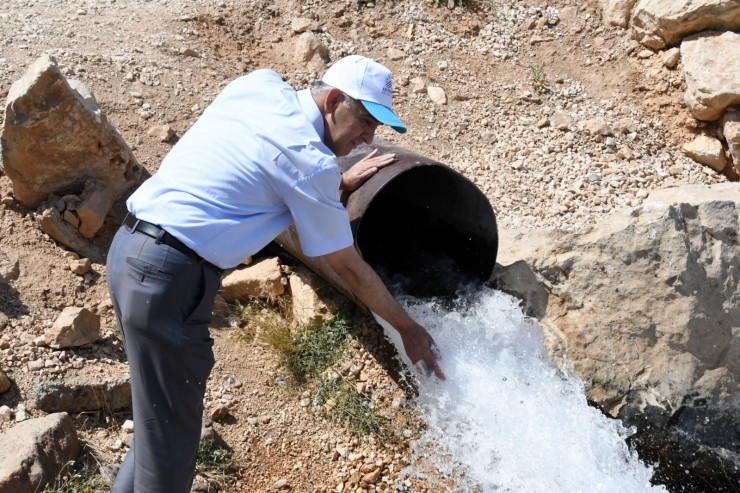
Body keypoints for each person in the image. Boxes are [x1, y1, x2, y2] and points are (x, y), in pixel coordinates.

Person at [105, 54, 445, 493]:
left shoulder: (259, 86)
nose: (368, 136)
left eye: (377, 128)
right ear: (335, 99)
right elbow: (349, 267)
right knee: (171, 442)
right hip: (170, 279)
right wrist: (408, 329)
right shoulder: (311, 163)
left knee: (159, 423)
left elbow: (252, 169)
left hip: (130, 251)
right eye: (365, 120)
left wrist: (335, 185)